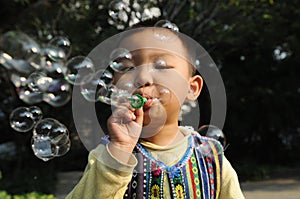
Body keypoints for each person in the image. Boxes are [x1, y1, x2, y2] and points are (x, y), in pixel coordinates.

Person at [66, 19, 245, 199]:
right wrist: (120, 151)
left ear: (191, 88)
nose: (143, 77)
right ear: (114, 86)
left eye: (161, 66)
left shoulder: (212, 158)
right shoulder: (109, 155)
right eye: (128, 68)